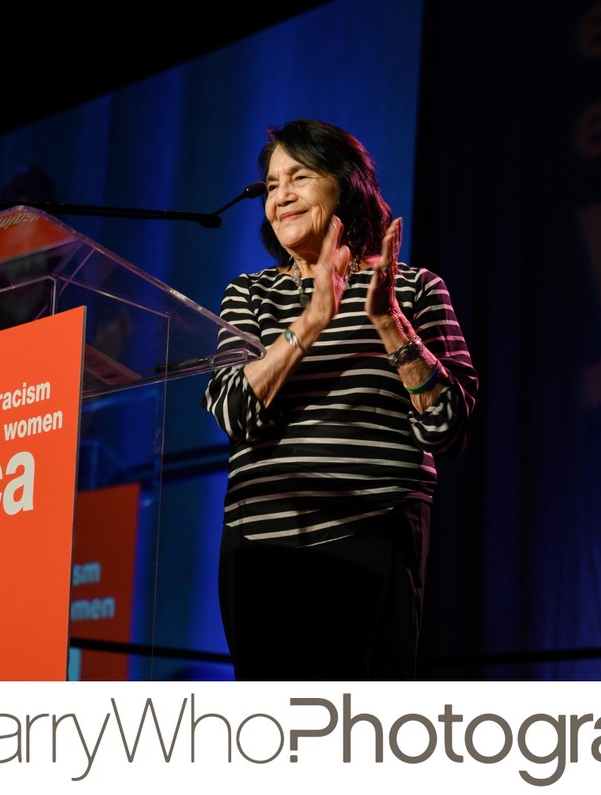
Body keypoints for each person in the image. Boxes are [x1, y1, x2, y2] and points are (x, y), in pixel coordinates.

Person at [202, 119, 478, 680]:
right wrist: (311, 320)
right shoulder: (249, 293)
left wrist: (390, 323)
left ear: (346, 185)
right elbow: (232, 410)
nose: (280, 196)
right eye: (272, 185)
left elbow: (450, 427)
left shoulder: (416, 289)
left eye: (298, 176)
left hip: (371, 536)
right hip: (260, 546)